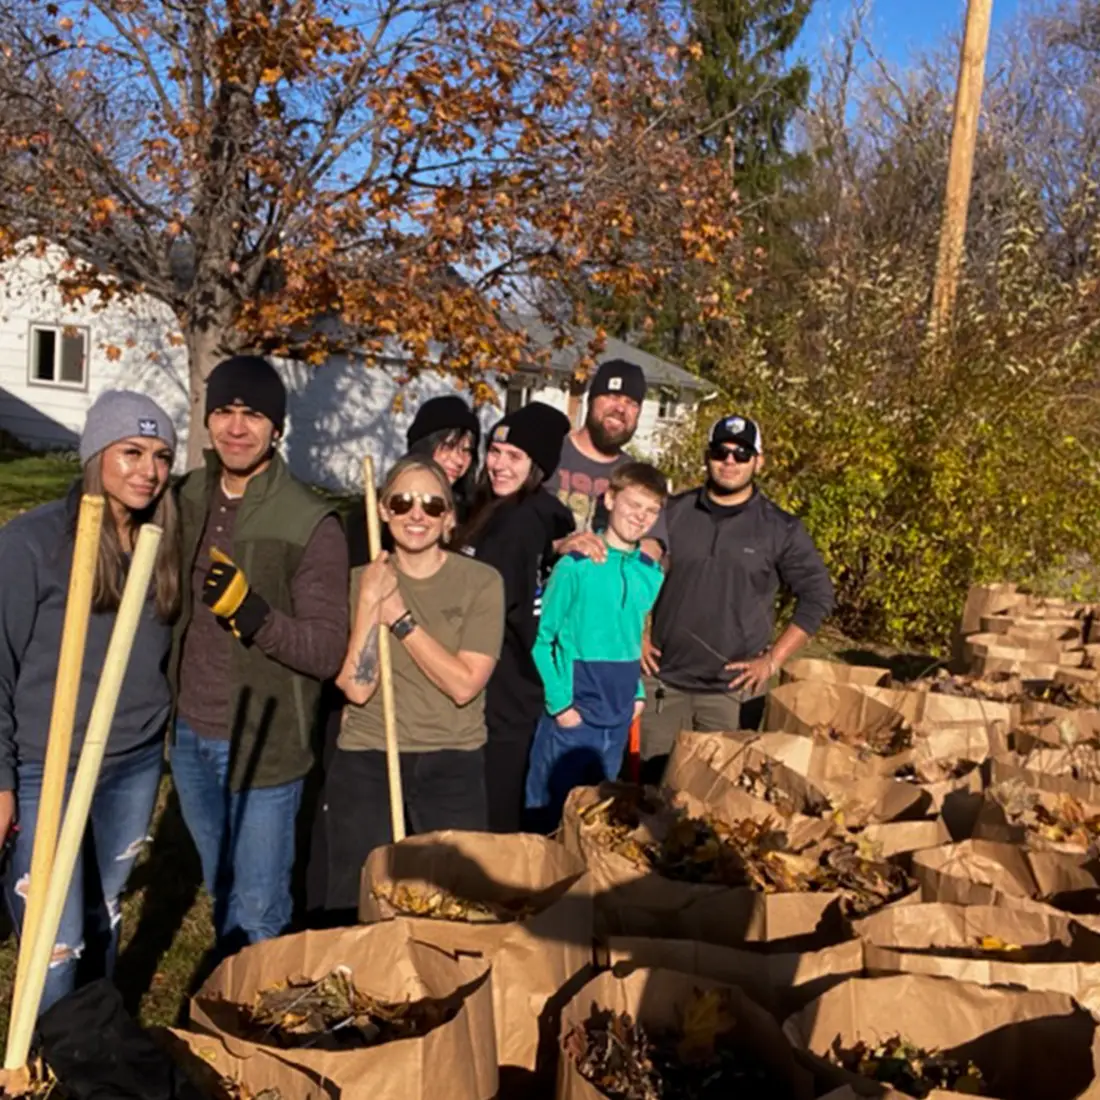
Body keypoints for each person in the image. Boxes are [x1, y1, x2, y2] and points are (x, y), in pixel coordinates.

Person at [0, 391, 179, 1013]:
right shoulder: (30, 544)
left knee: (103, 914)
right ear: (96, 454)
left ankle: (94, 1050)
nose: (147, 470)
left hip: (129, 763)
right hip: (44, 765)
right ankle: (41, 1053)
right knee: (57, 937)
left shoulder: (162, 545)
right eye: (131, 451)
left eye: (161, 455)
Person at [169, 355, 349, 955]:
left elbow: (326, 651)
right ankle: (225, 1001)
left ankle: (254, 1038)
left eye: (253, 414)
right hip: (192, 733)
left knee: (261, 910)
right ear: (207, 420)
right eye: (224, 411)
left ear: (277, 427)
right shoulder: (187, 496)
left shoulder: (309, 520)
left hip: (266, 750)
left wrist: (256, 616)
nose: (237, 427)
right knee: (222, 890)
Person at [322, 456, 503, 918]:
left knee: (454, 905)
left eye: (431, 505)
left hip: (451, 761)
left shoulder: (481, 582)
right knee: (359, 898)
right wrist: (368, 601)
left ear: (450, 517)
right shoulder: (357, 581)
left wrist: (401, 619)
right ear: (383, 511)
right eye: (401, 503)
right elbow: (356, 689)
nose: (416, 515)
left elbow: (464, 685)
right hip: (368, 755)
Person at [640, 414, 834, 780]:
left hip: (732, 693)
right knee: (651, 791)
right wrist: (636, 632)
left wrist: (773, 660)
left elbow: (818, 596)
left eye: (742, 454)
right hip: (664, 685)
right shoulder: (672, 513)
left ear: (758, 461)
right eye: (720, 452)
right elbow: (632, 570)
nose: (729, 461)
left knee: (716, 799)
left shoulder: (780, 528)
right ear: (707, 456)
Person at [453, 402, 575, 832]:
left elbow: (497, 604)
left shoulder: (523, 522)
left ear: (537, 466)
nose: (499, 465)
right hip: (492, 684)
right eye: (496, 452)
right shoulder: (492, 509)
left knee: (493, 814)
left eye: (514, 457)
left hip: (503, 689)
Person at [527, 462, 667, 828]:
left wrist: (636, 693)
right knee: (549, 817)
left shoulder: (648, 575)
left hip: (618, 716)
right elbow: (542, 641)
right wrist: (561, 705)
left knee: (596, 821)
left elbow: (630, 637)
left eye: (651, 510)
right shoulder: (576, 567)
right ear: (609, 499)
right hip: (575, 715)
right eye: (633, 505)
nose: (641, 517)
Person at [545, 358, 665, 560]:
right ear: (591, 400)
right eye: (612, 396)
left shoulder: (637, 476)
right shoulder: (549, 454)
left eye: (631, 403)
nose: (620, 408)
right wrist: (558, 545)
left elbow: (654, 545)